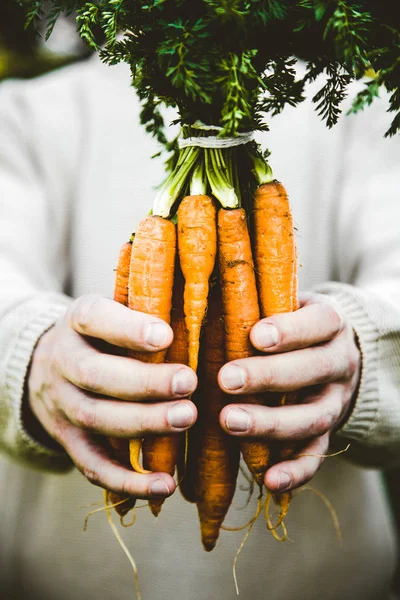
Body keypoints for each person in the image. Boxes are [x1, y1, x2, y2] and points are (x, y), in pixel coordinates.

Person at [0, 53, 399, 600]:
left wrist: (361, 349)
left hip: (329, 583)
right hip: (63, 582)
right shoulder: (23, 113)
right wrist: (30, 353)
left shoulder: (363, 111)